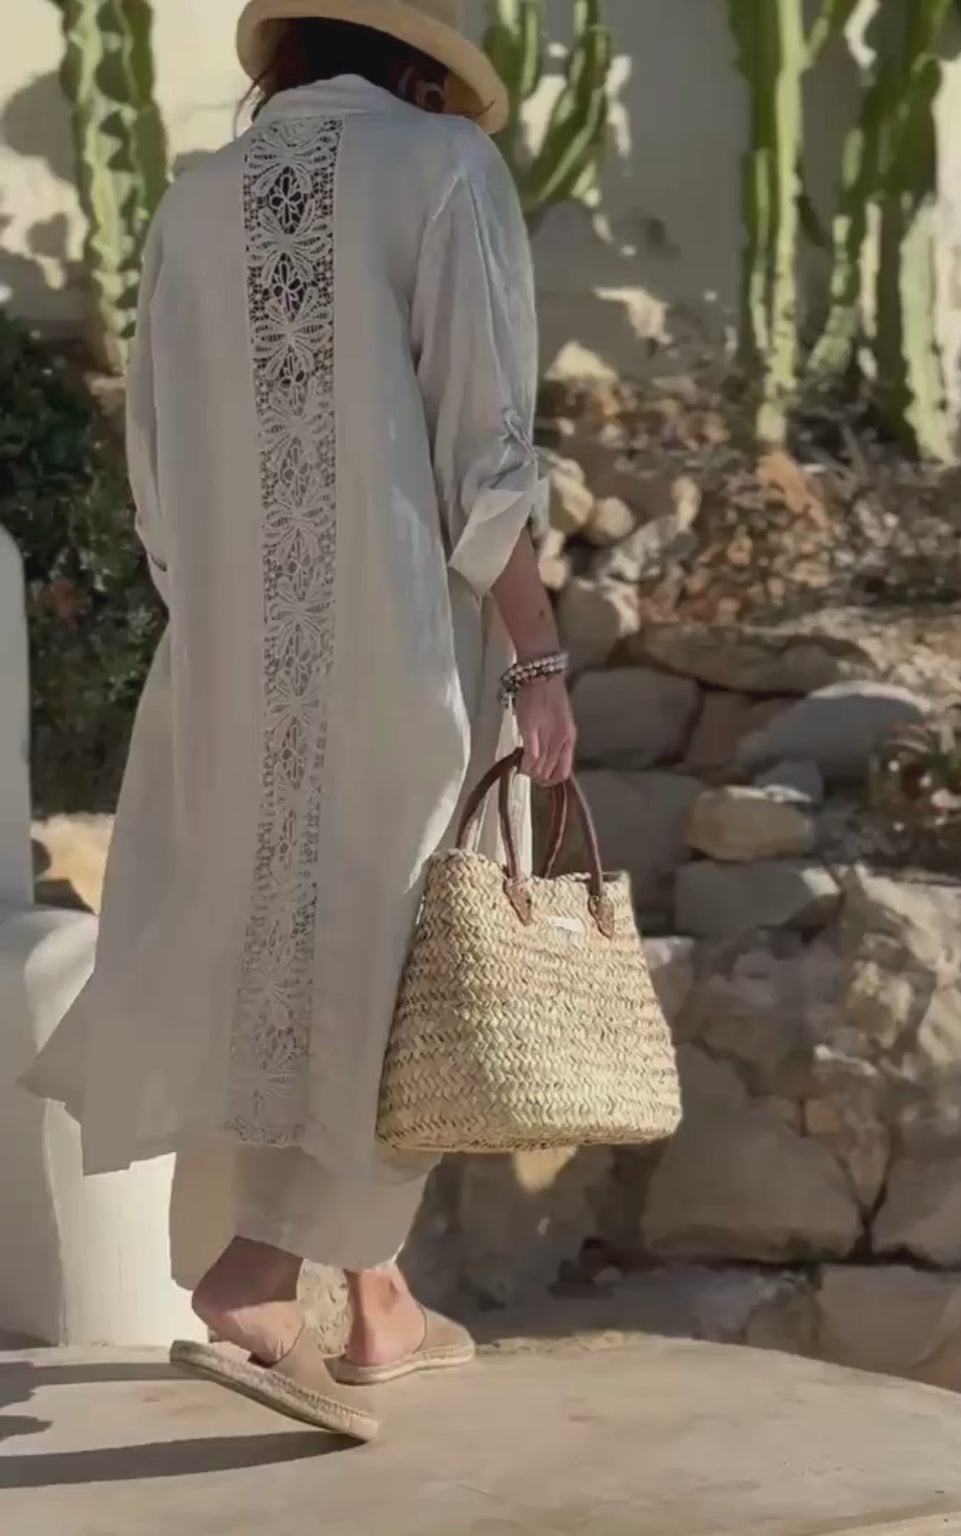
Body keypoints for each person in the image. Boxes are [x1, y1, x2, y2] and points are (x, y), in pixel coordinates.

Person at [24, 0, 576, 1440]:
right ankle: (259, 1270)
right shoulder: (446, 169)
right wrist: (538, 658)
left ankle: (379, 1308)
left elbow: (155, 461)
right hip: (399, 648)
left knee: (274, 943)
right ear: (422, 60)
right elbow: (485, 451)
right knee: (397, 945)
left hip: (228, 654)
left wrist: (227, 619)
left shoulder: (196, 199)